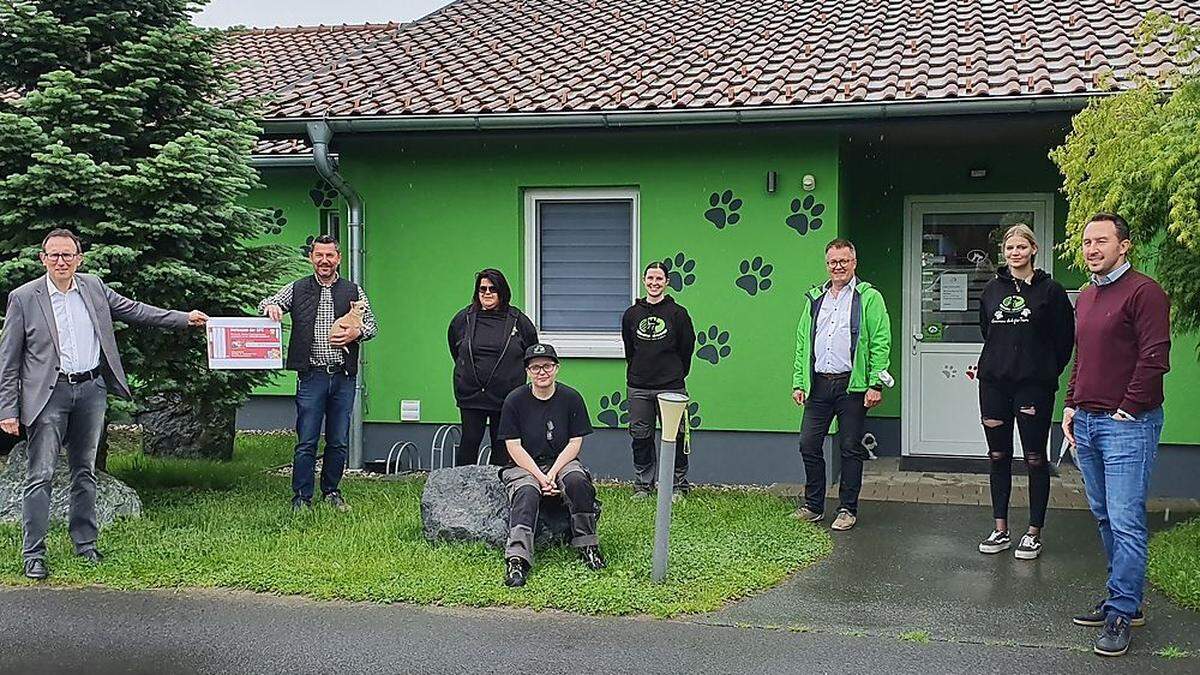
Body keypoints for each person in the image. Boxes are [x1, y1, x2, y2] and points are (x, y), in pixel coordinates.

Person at [0, 228, 208, 580]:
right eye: (54, 255)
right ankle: (33, 554)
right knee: (42, 475)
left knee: (85, 471)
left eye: (68, 255)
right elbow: (9, 360)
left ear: (79, 259)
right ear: (43, 259)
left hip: (91, 391)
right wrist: (7, 410)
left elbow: (137, 311)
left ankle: (85, 543)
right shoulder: (24, 298)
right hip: (48, 395)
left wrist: (183, 318)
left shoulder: (93, 287)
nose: (61, 261)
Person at [1062, 213, 1170, 658]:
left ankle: (1122, 610)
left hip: (1127, 425)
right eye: (1087, 242)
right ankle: (1122, 596)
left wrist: (1127, 409)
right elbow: (1081, 357)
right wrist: (1070, 404)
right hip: (1086, 421)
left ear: (1123, 246)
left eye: (1101, 241)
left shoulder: (1145, 292)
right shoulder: (1087, 296)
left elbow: (1155, 358)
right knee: (1105, 516)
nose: (1091, 249)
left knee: (1126, 520)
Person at [975, 224, 1074, 560]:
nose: (1015, 253)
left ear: (1033, 249)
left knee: (1035, 458)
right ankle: (1000, 529)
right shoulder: (991, 290)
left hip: (1034, 386)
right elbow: (987, 330)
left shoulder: (1051, 291)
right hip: (993, 385)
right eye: (1009, 248)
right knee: (997, 456)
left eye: (1021, 247)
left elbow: (1064, 341)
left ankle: (1033, 532)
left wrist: (1041, 370)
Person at [259, 234, 377, 512]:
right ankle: (301, 497)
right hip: (311, 376)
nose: (324, 261)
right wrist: (272, 307)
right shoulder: (297, 289)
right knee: (307, 439)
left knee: (338, 439)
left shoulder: (353, 291)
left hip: (343, 376)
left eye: (330, 256)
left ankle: (332, 492)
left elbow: (372, 325)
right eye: (319, 255)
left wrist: (357, 332)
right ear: (311, 258)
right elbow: (266, 303)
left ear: (339, 258)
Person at [791, 238, 891, 531]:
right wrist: (799, 381)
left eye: (843, 261)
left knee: (849, 448)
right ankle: (813, 505)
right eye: (833, 262)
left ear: (854, 263)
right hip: (819, 384)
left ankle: (847, 508)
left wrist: (876, 383)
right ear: (827, 264)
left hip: (853, 386)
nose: (838, 266)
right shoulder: (815, 299)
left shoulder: (869, 297)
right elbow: (802, 344)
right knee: (808, 444)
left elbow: (881, 341)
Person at [496, 343, 604, 587]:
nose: (541, 372)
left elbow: (575, 442)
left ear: (557, 368)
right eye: (535, 367)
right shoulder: (514, 400)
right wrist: (540, 477)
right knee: (526, 491)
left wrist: (553, 473)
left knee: (577, 481)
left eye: (547, 366)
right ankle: (517, 559)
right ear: (527, 372)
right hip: (523, 465)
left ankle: (588, 545)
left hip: (562, 461)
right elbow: (513, 446)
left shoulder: (571, 398)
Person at [620, 262, 696, 499]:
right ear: (644, 281)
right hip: (639, 386)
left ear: (667, 282)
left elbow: (687, 347)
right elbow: (629, 347)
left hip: (671, 385)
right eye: (650, 278)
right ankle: (643, 484)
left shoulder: (678, 314)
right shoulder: (632, 314)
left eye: (659, 279)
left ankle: (677, 485)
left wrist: (675, 373)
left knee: (676, 436)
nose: (654, 283)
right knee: (640, 436)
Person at [447, 269, 537, 467]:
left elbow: (531, 354)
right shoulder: (464, 318)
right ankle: (463, 490)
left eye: (492, 289)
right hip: (471, 394)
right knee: (469, 441)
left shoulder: (518, 320)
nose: (487, 293)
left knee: (501, 444)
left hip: (506, 395)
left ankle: (499, 488)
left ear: (502, 292)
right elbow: (456, 349)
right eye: (482, 289)